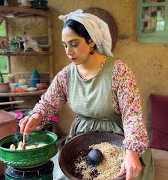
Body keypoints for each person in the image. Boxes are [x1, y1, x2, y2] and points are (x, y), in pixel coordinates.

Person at [19, 9, 154, 180]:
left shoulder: (118, 71)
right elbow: (48, 102)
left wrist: (132, 151)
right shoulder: (66, 75)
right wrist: (37, 116)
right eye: (65, 45)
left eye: (74, 44)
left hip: (118, 138)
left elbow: (132, 115)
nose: (68, 51)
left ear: (91, 41)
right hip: (81, 140)